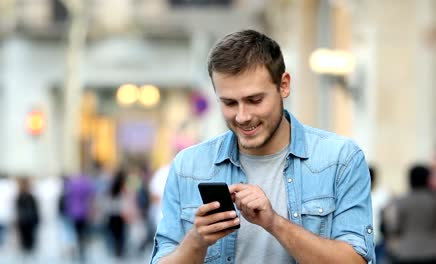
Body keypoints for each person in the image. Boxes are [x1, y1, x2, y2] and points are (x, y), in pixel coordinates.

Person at [150, 29, 375, 264]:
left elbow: (355, 261)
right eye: (229, 103)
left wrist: (273, 222)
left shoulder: (340, 159)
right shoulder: (188, 166)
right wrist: (197, 240)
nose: (242, 116)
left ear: (284, 86)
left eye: (254, 100)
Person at [382, 164, 436, 264]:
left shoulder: (400, 202)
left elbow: (392, 227)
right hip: (431, 252)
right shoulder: (433, 200)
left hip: (406, 252)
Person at [14, 177, 40, 254]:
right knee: (29, 235)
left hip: (24, 219)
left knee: (26, 235)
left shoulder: (21, 196)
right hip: (29, 218)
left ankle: (26, 248)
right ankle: (28, 248)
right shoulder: (29, 196)